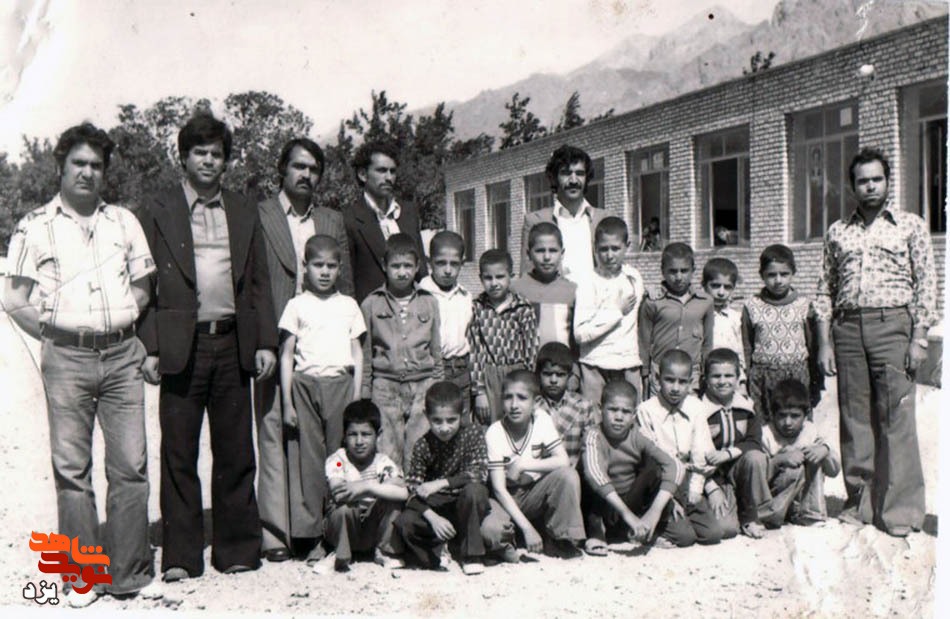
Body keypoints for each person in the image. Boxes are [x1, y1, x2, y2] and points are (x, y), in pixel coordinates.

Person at [4, 123, 157, 605]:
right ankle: (82, 576)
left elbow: (143, 288)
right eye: (79, 163)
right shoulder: (34, 225)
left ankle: (130, 573)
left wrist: (116, 326)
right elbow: (15, 300)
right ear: (61, 167)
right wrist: (61, 334)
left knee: (130, 465)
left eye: (96, 165)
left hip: (121, 356)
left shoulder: (124, 222)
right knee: (72, 469)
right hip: (65, 359)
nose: (88, 172)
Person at [137, 113, 278, 582]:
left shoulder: (242, 209)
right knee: (179, 452)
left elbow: (258, 282)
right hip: (182, 346)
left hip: (232, 342)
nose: (208, 161)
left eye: (217, 153)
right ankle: (181, 555)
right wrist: (151, 347)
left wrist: (264, 342)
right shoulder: (158, 209)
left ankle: (236, 548)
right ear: (184, 157)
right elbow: (145, 283)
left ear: (226, 161)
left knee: (236, 449)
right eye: (199, 152)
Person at [815, 147, 935, 537]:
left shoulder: (910, 225)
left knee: (896, 417)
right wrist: (824, 343)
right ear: (852, 186)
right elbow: (825, 288)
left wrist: (919, 338)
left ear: (888, 182)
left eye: (877, 179)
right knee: (855, 418)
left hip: (892, 326)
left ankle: (900, 512)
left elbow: (927, 285)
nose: (870, 186)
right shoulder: (838, 231)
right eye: (862, 180)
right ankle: (860, 504)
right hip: (848, 328)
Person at [257, 137, 354, 563]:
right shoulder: (261, 214)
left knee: (322, 444)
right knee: (275, 432)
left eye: (314, 169)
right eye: (298, 166)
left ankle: (328, 526)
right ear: (282, 169)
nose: (306, 175)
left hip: (323, 343)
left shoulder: (331, 219)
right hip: (278, 335)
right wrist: (262, 339)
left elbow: (346, 284)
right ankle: (277, 531)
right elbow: (254, 279)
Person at [278, 235, 365, 564]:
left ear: (340, 268)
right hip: (305, 386)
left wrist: (356, 395)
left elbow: (358, 354)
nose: (325, 272)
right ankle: (311, 536)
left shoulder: (349, 306)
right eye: (318, 265)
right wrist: (287, 403)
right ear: (305, 267)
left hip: (340, 385)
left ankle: (339, 531)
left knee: (338, 460)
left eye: (331, 266)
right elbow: (287, 355)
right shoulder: (296, 305)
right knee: (309, 462)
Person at [395, 382, 499, 575]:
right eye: (437, 421)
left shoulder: (473, 433)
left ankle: (471, 555)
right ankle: (439, 552)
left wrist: (442, 482)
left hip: (466, 503)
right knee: (405, 522)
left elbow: (480, 473)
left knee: (475, 491)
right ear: (426, 416)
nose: (444, 428)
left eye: (451, 420)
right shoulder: (423, 445)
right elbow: (412, 488)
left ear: (463, 414)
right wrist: (432, 517)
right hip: (438, 505)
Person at [360, 233, 443, 468]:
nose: (402, 272)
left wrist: (438, 385)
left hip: (423, 385)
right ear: (384, 266)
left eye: (408, 266)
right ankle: (391, 490)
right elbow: (366, 353)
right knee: (387, 450)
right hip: (385, 386)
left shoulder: (429, 302)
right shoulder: (371, 303)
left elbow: (436, 348)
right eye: (396, 266)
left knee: (418, 448)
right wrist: (365, 391)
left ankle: (415, 491)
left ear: (417, 267)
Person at [483, 370, 586, 559]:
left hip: (532, 494)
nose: (514, 405)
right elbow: (498, 490)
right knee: (491, 531)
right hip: (504, 499)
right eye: (508, 397)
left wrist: (523, 465)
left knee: (568, 475)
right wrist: (527, 529)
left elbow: (562, 460)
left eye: (522, 398)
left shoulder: (541, 419)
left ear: (535, 402)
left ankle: (559, 539)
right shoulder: (495, 432)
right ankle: (516, 538)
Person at [581, 380, 690, 555]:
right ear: (600, 409)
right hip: (603, 505)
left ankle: (646, 529)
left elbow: (675, 465)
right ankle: (597, 531)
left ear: (634, 414)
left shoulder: (639, 433)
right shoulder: (593, 435)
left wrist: (654, 512)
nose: (619, 417)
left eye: (626, 412)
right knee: (587, 472)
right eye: (613, 410)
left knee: (684, 536)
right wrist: (628, 516)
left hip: (631, 499)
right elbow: (595, 475)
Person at [636, 350, 727, 545]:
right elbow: (652, 460)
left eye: (682, 382)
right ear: (657, 379)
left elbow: (700, 453)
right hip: (661, 482)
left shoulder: (696, 407)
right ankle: (653, 528)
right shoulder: (646, 410)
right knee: (685, 537)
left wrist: (696, 488)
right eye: (669, 380)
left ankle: (682, 516)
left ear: (691, 382)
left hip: (688, 478)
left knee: (713, 534)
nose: (676, 388)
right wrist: (668, 499)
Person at [317, 400, 407, 573]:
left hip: (371, 530)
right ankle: (339, 553)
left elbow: (402, 493)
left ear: (378, 435)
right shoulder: (338, 460)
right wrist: (380, 487)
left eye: (366, 434)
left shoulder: (383, 462)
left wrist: (366, 486)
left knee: (393, 502)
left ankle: (384, 551)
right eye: (353, 434)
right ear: (344, 436)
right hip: (345, 528)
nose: (359, 441)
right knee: (344, 508)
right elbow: (339, 492)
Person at [344, 140, 428, 304]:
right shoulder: (349, 218)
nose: (389, 177)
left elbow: (421, 270)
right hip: (372, 312)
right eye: (381, 171)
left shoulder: (409, 212)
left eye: (392, 171)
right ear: (362, 174)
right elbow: (348, 282)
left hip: (413, 311)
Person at [574, 216, 645, 405]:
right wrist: (616, 312)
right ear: (595, 248)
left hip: (627, 363)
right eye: (603, 249)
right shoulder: (588, 281)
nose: (609, 255)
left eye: (615, 248)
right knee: (594, 417)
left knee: (629, 414)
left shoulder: (634, 277)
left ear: (627, 246)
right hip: (595, 363)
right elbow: (580, 334)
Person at [743, 244, 820, 418]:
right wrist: (746, 377)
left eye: (784, 274)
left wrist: (817, 382)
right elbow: (747, 345)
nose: (778, 280)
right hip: (763, 378)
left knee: (794, 422)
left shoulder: (804, 305)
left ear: (793, 273)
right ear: (761, 275)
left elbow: (812, 346)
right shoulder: (752, 306)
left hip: (797, 377)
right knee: (764, 423)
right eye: (771, 275)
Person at [700, 348, 769, 539]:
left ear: (738, 378)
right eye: (716, 376)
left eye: (729, 376)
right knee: (726, 529)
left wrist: (728, 453)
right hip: (713, 476)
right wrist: (711, 487)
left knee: (755, 457)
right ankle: (732, 507)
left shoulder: (746, 406)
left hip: (740, 471)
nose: (722, 381)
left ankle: (750, 516)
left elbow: (754, 442)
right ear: (706, 379)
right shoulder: (699, 409)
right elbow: (694, 454)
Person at [468, 249, 539, 425]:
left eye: (500, 277)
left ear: (511, 276)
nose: (494, 283)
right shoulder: (477, 308)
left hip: (517, 374)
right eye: (488, 278)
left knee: (518, 423)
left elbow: (531, 351)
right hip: (489, 376)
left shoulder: (523, 308)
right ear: (481, 278)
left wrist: (528, 384)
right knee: (489, 426)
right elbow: (475, 352)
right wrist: (479, 392)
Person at [519, 145, 608, 282]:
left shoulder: (604, 219)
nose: (573, 180)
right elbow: (527, 278)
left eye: (580, 173)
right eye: (566, 173)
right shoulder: (535, 221)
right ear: (553, 178)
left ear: (587, 178)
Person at [759, 380, 840, 527]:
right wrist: (779, 459)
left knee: (814, 456)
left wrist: (825, 450)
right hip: (775, 498)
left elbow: (834, 471)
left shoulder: (810, 431)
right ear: (773, 414)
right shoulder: (766, 434)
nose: (788, 422)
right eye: (782, 415)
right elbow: (757, 478)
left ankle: (811, 514)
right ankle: (772, 516)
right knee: (794, 470)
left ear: (806, 415)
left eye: (795, 416)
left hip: (801, 500)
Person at [638, 242, 714, 397]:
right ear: (663, 271)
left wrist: (706, 372)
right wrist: (645, 373)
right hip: (660, 371)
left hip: (691, 373)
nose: (678, 277)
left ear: (693, 270)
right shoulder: (653, 301)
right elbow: (643, 340)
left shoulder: (705, 301)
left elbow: (707, 342)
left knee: (689, 410)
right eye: (672, 271)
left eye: (684, 271)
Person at [418, 231, 474, 424]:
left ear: (462, 263)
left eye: (454, 264)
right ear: (429, 262)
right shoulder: (420, 295)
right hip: (432, 372)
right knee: (432, 426)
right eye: (441, 263)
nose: (448, 270)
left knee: (462, 427)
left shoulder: (465, 297)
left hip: (461, 371)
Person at [511, 222, 577, 349]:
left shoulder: (571, 291)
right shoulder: (516, 289)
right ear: (528, 254)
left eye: (553, 251)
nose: (547, 257)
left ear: (562, 253)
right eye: (540, 251)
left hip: (561, 360)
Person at [533, 342, 599, 467]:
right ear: (538, 374)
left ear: (569, 376)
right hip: (541, 470)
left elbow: (591, 446)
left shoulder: (583, 406)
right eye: (547, 374)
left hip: (574, 469)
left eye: (560, 375)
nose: (553, 380)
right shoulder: (533, 406)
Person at [702, 257, 746, 394]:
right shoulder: (698, 316)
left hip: (730, 382)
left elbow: (740, 352)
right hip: (705, 380)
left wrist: (742, 382)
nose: (721, 292)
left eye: (727, 287)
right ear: (704, 285)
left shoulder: (736, 318)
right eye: (715, 286)